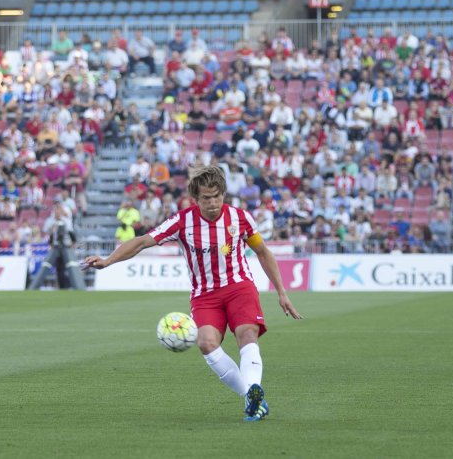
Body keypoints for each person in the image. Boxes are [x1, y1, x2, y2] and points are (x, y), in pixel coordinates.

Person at [82, 165, 303, 422]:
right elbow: (142, 241)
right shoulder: (182, 221)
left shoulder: (240, 218)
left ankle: (254, 393)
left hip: (239, 287)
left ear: (223, 194)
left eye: (217, 196)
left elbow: (264, 252)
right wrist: (108, 261)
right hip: (205, 295)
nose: (212, 203)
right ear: (195, 199)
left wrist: (282, 292)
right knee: (207, 343)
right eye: (206, 198)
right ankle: (252, 395)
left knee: (247, 334)